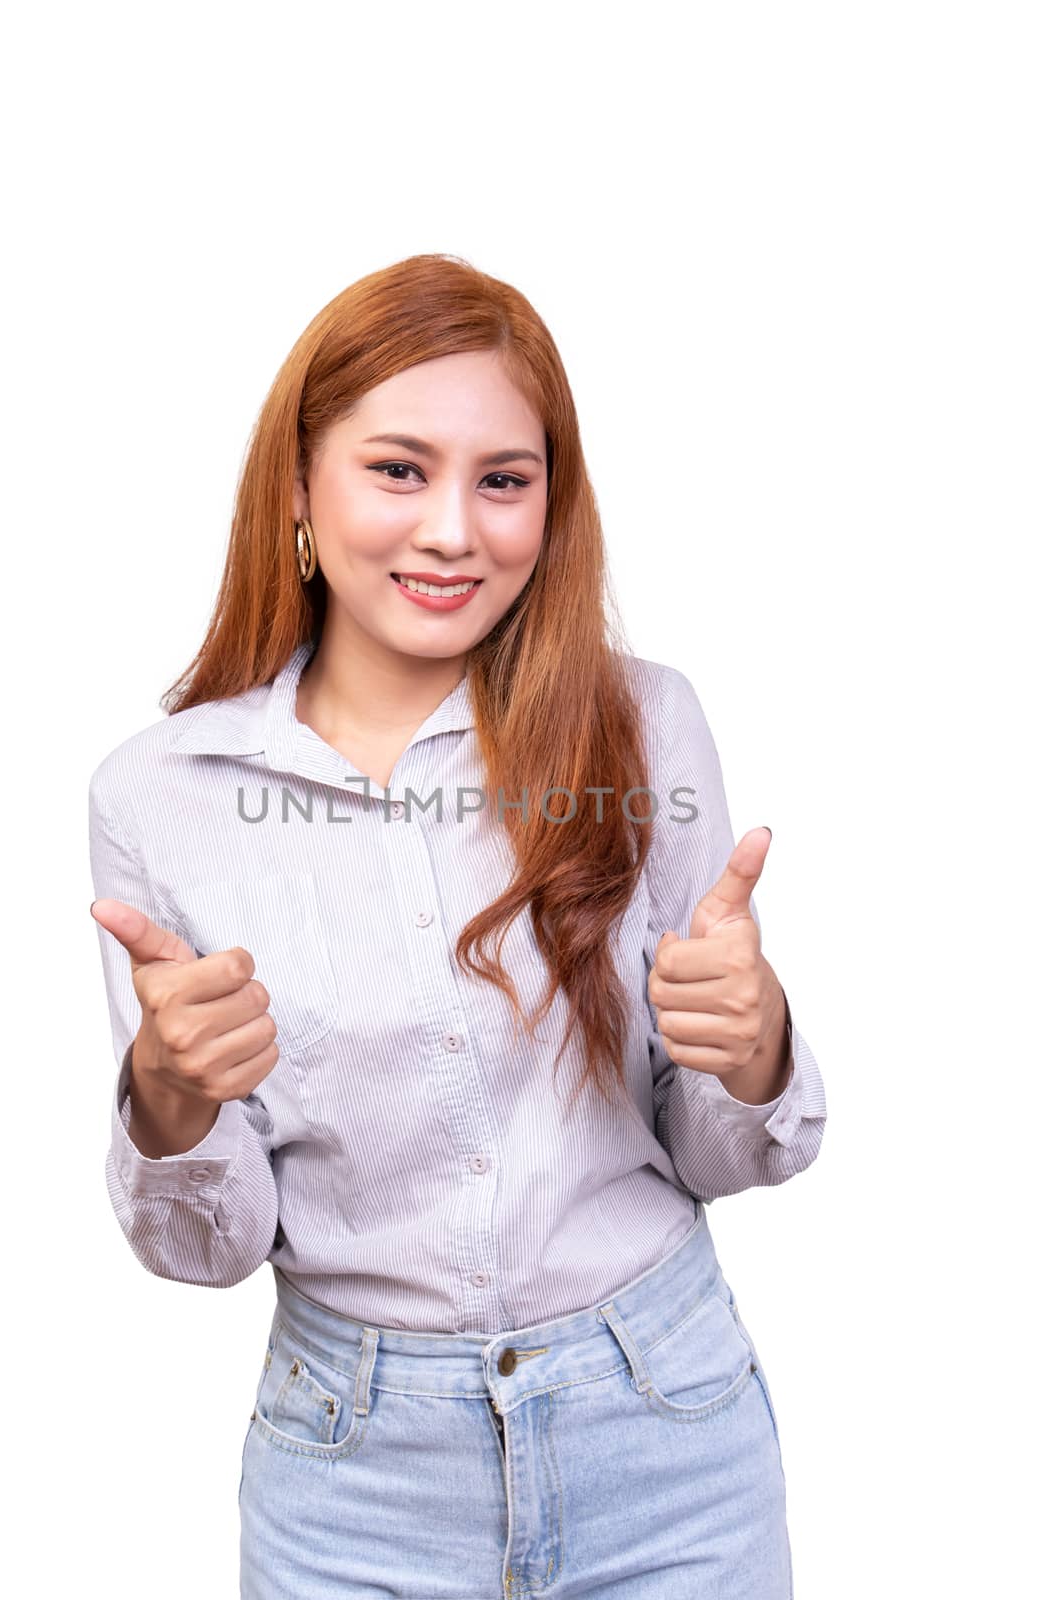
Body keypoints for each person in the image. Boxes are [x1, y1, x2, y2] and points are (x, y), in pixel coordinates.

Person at [88, 252, 827, 1598]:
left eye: (504, 480)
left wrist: (755, 1050)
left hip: (665, 1437)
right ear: (300, 490)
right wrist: (167, 1101)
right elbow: (210, 1248)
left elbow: (719, 1151)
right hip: (354, 1476)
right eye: (398, 470)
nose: (453, 531)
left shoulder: (642, 725)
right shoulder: (164, 798)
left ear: (553, 502)